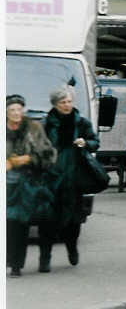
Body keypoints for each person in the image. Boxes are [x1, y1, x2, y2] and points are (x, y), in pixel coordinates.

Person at [44, 85, 100, 268]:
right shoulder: (46, 123)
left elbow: (95, 142)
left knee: (74, 220)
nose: (67, 105)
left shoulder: (81, 122)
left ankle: (72, 248)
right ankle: (45, 258)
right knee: (49, 220)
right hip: (52, 177)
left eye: (69, 101)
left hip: (75, 177)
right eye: (63, 102)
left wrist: (86, 142)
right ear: (55, 104)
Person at [6, 95, 58, 276]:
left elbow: (49, 156)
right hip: (7, 185)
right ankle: (13, 264)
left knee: (27, 223)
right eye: (12, 110)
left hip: (31, 184)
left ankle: (26, 263)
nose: (16, 113)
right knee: (11, 225)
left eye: (19, 109)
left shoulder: (34, 129)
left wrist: (27, 159)